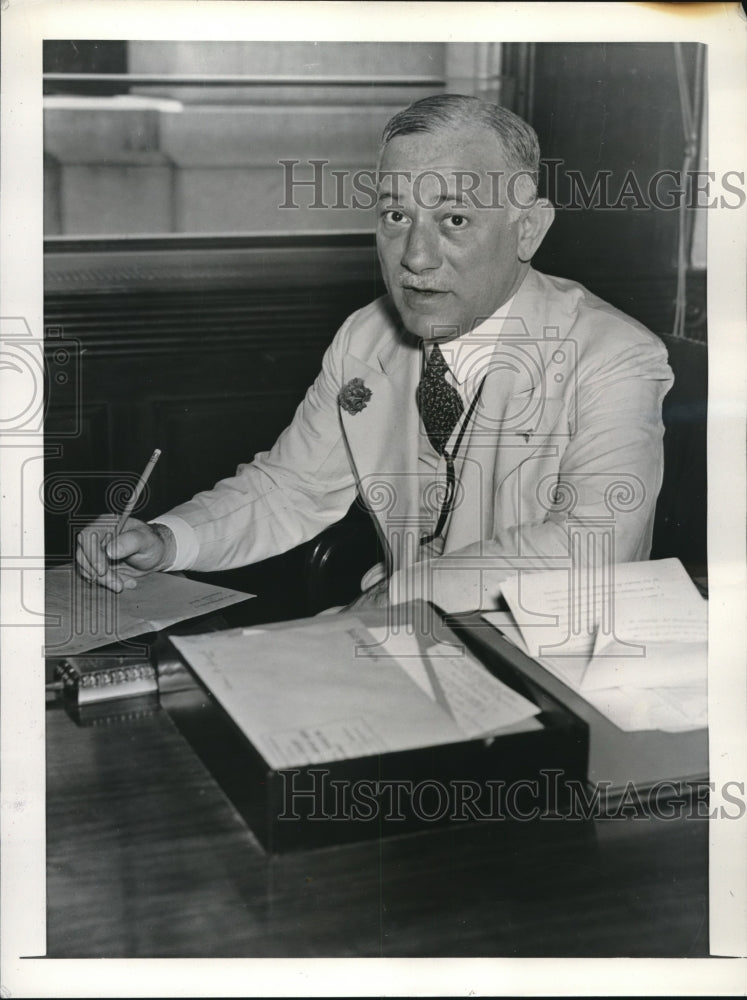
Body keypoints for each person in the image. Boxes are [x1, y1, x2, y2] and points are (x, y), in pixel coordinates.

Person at [76, 94, 673, 614]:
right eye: (395, 215)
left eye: (455, 219)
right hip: (399, 638)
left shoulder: (613, 356)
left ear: (528, 230)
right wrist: (166, 539)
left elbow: (592, 544)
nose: (415, 256)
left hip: (553, 664)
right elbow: (293, 487)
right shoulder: (367, 337)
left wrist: (396, 598)